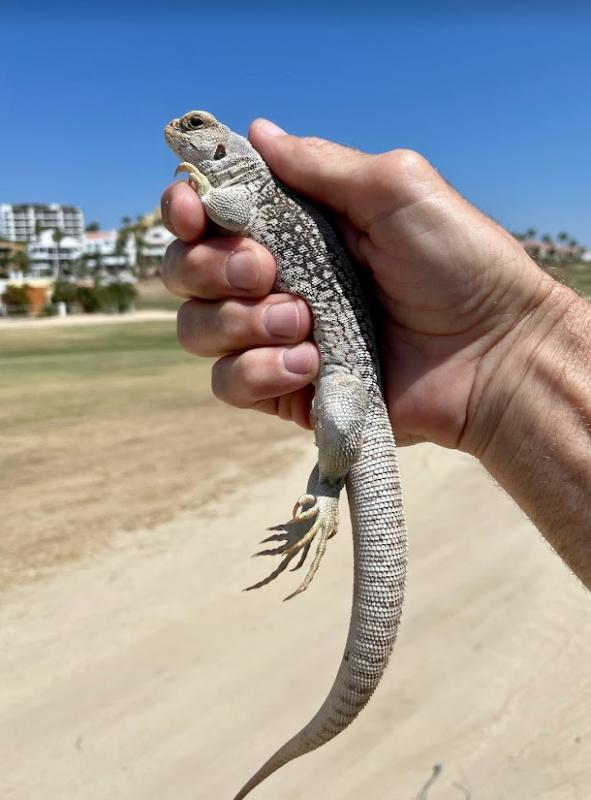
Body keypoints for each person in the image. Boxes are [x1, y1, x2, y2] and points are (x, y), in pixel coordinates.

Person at [160, 119, 591, 590]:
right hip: (356, 366)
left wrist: (204, 193)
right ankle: (328, 483)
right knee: (338, 414)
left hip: (354, 374)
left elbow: (235, 216)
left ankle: (325, 491)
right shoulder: (258, 190)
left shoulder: (249, 189)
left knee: (342, 419)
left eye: (195, 125)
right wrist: (513, 351)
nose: (179, 130)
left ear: (224, 148)